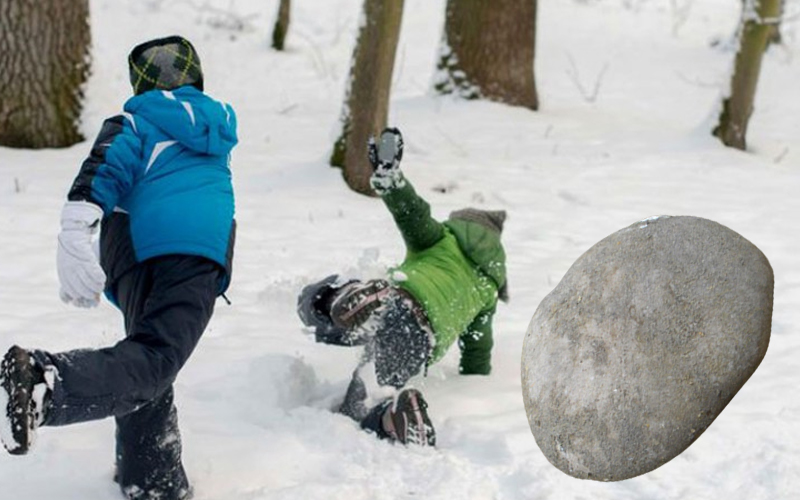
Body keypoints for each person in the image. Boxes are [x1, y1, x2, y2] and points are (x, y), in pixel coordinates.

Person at [0, 35, 237, 500]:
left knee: (146, 356)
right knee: (154, 358)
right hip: (194, 255)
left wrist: (78, 225)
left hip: (137, 253)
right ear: (198, 77)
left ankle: (152, 479)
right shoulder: (216, 127)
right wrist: (76, 222)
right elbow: (106, 168)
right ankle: (47, 382)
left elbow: (106, 167)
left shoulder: (139, 120)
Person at [298, 127, 508, 447]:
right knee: (365, 400)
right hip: (420, 336)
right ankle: (393, 412)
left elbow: (412, 212)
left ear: (460, 225)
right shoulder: (487, 290)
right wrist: (475, 375)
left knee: (311, 303)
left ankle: (339, 297)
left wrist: (390, 177)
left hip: (396, 296)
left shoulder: (442, 240)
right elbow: (478, 350)